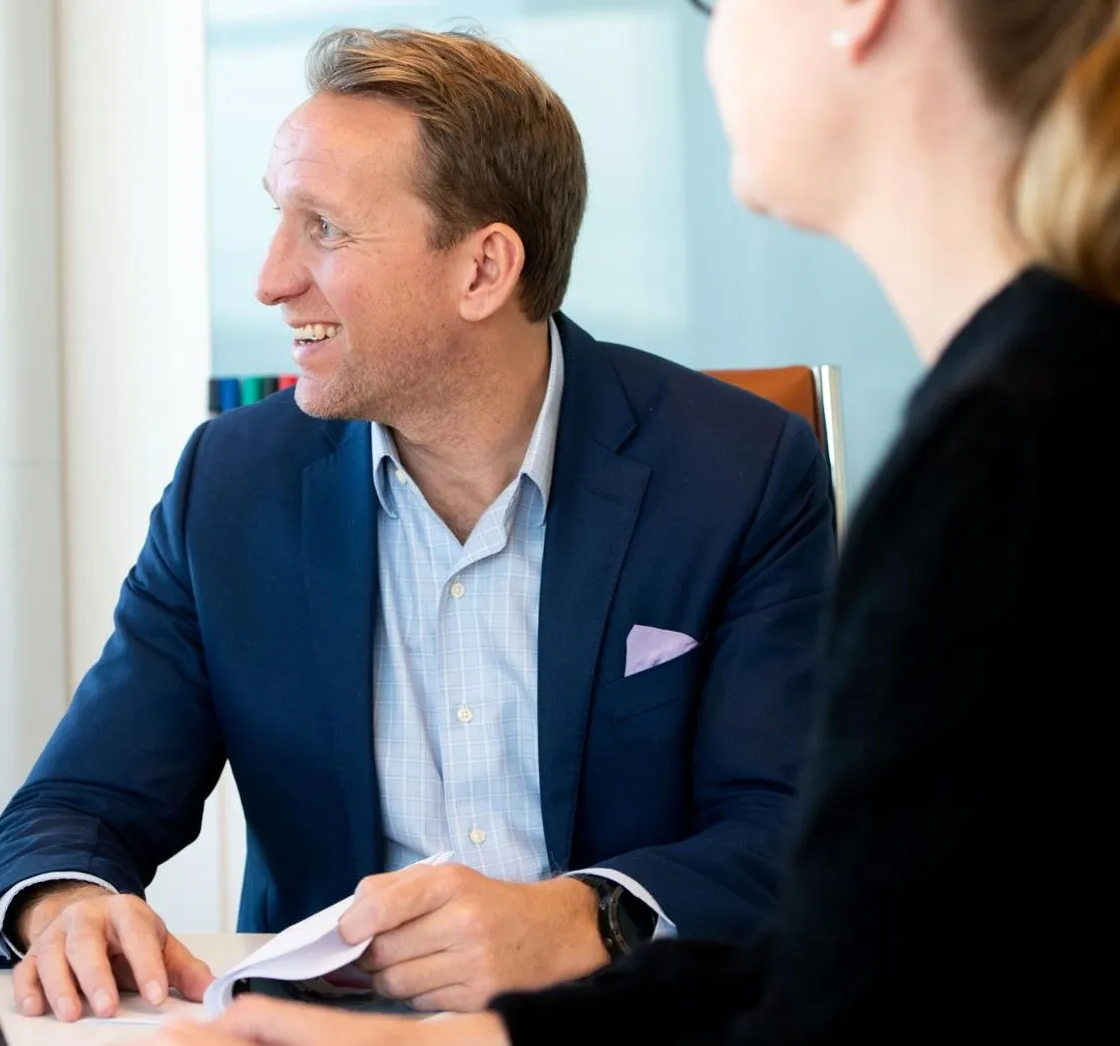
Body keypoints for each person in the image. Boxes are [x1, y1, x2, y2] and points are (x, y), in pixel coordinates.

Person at [134, 0, 1120, 1042]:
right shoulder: (1018, 411)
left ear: (858, 13)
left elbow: (855, 979)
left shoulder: (1015, 450)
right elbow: (854, 953)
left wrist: (561, 940)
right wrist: (441, 1039)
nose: (271, 279)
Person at [0, 25, 835, 1027]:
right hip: (320, 1027)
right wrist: (64, 900)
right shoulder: (230, 482)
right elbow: (72, 804)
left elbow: (791, 831)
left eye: (323, 228)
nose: (272, 278)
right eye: (278, 220)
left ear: (482, 269)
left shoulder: (742, 471)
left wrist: (587, 916)